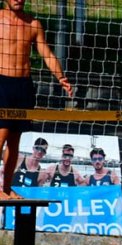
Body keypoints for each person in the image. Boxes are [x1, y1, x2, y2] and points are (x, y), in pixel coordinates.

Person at [0, 0, 73, 198]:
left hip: (23, 85)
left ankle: (6, 188)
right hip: (2, 83)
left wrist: (61, 77)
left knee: (15, 141)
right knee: (1, 136)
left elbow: (46, 54)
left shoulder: (33, 24)